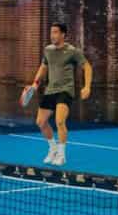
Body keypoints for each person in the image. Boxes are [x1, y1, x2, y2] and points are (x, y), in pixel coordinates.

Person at [21, 22, 92, 167]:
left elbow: (87, 67)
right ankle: (52, 148)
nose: (52, 35)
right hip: (50, 90)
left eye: (55, 32)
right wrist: (35, 83)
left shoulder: (72, 51)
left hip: (65, 90)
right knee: (40, 122)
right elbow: (43, 67)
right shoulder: (48, 50)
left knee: (60, 121)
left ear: (63, 34)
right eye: (51, 32)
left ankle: (61, 155)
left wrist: (87, 86)